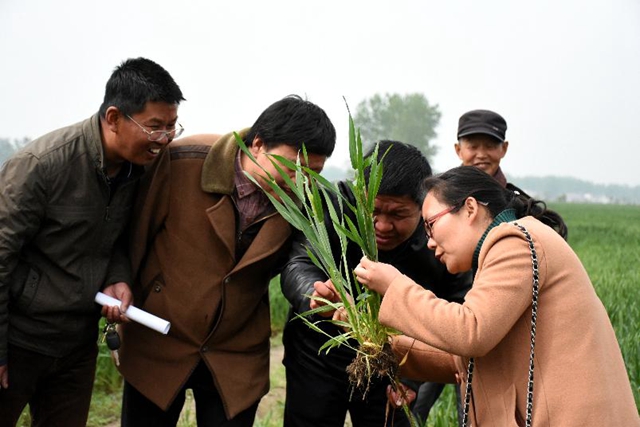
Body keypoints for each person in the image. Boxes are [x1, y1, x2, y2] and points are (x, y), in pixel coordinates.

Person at [354, 166, 640, 426]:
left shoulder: (515, 240)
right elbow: (459, 359)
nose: (429, 241)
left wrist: (394, 285)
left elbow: (470, 332)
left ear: (469, 209)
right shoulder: (503, 251)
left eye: (430, 224)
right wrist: (356, 324)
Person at [116, 95, 336, 427]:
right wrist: (122, 285)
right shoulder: (182, 161)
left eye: (313, 173)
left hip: (236, 351)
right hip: (159, 339)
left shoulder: (309, 203)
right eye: (294, 167)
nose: (301, 182)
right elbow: (132, 235)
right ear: (259, 144)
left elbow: (296, 264)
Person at [0, 57, 185, 426]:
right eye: (154, 127)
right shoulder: (42, 165)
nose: (163, 140)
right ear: (114, 118)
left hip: (77, 344)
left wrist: (118, 277)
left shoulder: (139, 170)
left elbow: (114, 238)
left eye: (171, 127)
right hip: (20, 340)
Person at [280, 140, 472, 427]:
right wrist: (315, 293)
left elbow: (457, 308)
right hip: (319, 353)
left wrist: (412, 375)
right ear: (358, 195)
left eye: (397, 214)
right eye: (373, 211)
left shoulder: (443, 238)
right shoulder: (330, 209)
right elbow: (298, 264)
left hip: (394, 364)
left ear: (423, 208)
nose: (381, 226)